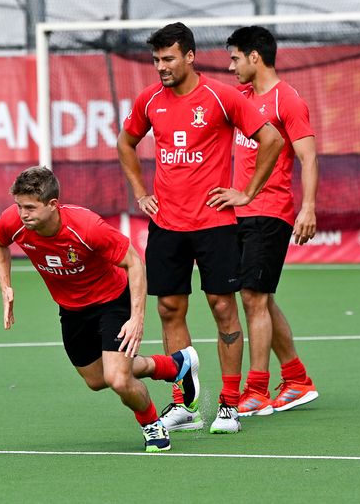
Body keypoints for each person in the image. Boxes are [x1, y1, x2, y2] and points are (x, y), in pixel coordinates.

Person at [117, 22, 284, 434]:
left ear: (190, 56)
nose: (161, 66)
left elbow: (272, 139)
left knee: (223, 307)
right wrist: (140, 192)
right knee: (169, 309)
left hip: (215, 224)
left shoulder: (221, 96)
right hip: (166, 224)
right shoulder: (149, 100)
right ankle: (184, 405)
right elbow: (125, 142)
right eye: (156, 60)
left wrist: (247, 192)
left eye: (168, 58)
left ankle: (228, 404)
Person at [0, 166, 201, 452]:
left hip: (112, 300)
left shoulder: (86, 227)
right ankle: (175, 365)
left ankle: (152, 425)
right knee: (97, 380)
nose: (22, 214)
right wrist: (6, 286)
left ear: (53, 205)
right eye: (19, 206)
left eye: (30, 207)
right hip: (72, 309)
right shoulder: (13, 222)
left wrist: (137, 318)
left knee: (118, 379)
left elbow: (134, 263)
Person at [218, 26, 319, 417]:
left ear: (254, 57)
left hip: (270, 211)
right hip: (238, 212)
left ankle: (257, 390)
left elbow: (308, 157)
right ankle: (297, 379)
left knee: (253, 298)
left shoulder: (287, 100)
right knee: (260, 298)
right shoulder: (241, 98)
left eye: (235, 58)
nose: (231, 67)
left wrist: (308, 207)